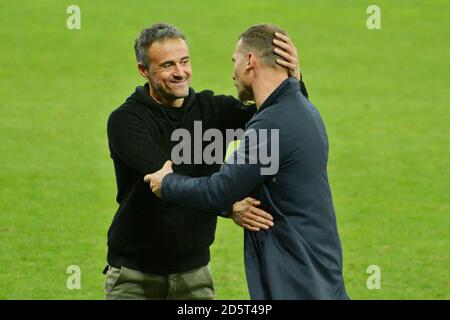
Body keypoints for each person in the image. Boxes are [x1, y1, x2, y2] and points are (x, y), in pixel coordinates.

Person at [145, 24, 349, 300]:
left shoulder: (272, 124)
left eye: (235, 61)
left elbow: (221, 190)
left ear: (250, 61)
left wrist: (167, 184)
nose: (233, 73)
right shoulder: (300, 109)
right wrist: (295, 80)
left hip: (296, 276)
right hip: (315, 268)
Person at [105, 22, 304, 299]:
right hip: (134, 277)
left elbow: (282, 121)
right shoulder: (126, 121)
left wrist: (292, 81)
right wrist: (228, 204)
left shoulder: (214, 110)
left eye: (184, 61)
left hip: (195, 274)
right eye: (167, 65)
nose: (180, 72)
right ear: (143, 71)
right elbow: (167, 181)